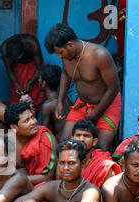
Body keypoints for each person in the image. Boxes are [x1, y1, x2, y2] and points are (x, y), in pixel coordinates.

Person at [45, 23, 121, 152]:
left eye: (60, 52)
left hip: (107, 104)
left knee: (101, 149)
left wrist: (96, 114)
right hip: (82, 104)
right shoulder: (67, 55)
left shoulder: (99, 55)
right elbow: (65, 74)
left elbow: (113, 89)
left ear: (70, 45)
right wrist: (60, 101)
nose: (59, 56)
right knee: (66, 143)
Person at [4, 102, 57, 186]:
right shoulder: (6, 140)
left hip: (40, 187)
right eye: (26, 121)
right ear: (14, 127)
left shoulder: (45, 138)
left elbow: (47, 177)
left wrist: (15, 181)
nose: (33, 122)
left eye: (32, 117)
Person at [0, 34, 44, 113]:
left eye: (18, 57)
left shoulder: (32, 43)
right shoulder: (4, 48)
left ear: (24, 50)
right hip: (18, 68)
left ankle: (33, 118)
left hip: (34, 65)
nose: (16, 59)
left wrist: (30, 83)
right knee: (17, 94)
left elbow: (40, 67)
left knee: (34, 95)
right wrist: (15, 83)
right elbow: (9, 69)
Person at [71, 120, 121, 188]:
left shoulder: (104, 165)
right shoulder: (65, 160)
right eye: (78, 135)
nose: (81, 139)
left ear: (94, 142)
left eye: (86, 136)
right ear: (72, 139)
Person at [38, 64, 71, 142]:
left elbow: (44, 132)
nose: (38, 81)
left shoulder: (48, 105)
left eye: (39, 79)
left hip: (60, 143)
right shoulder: (65, 98)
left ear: (44, 83)